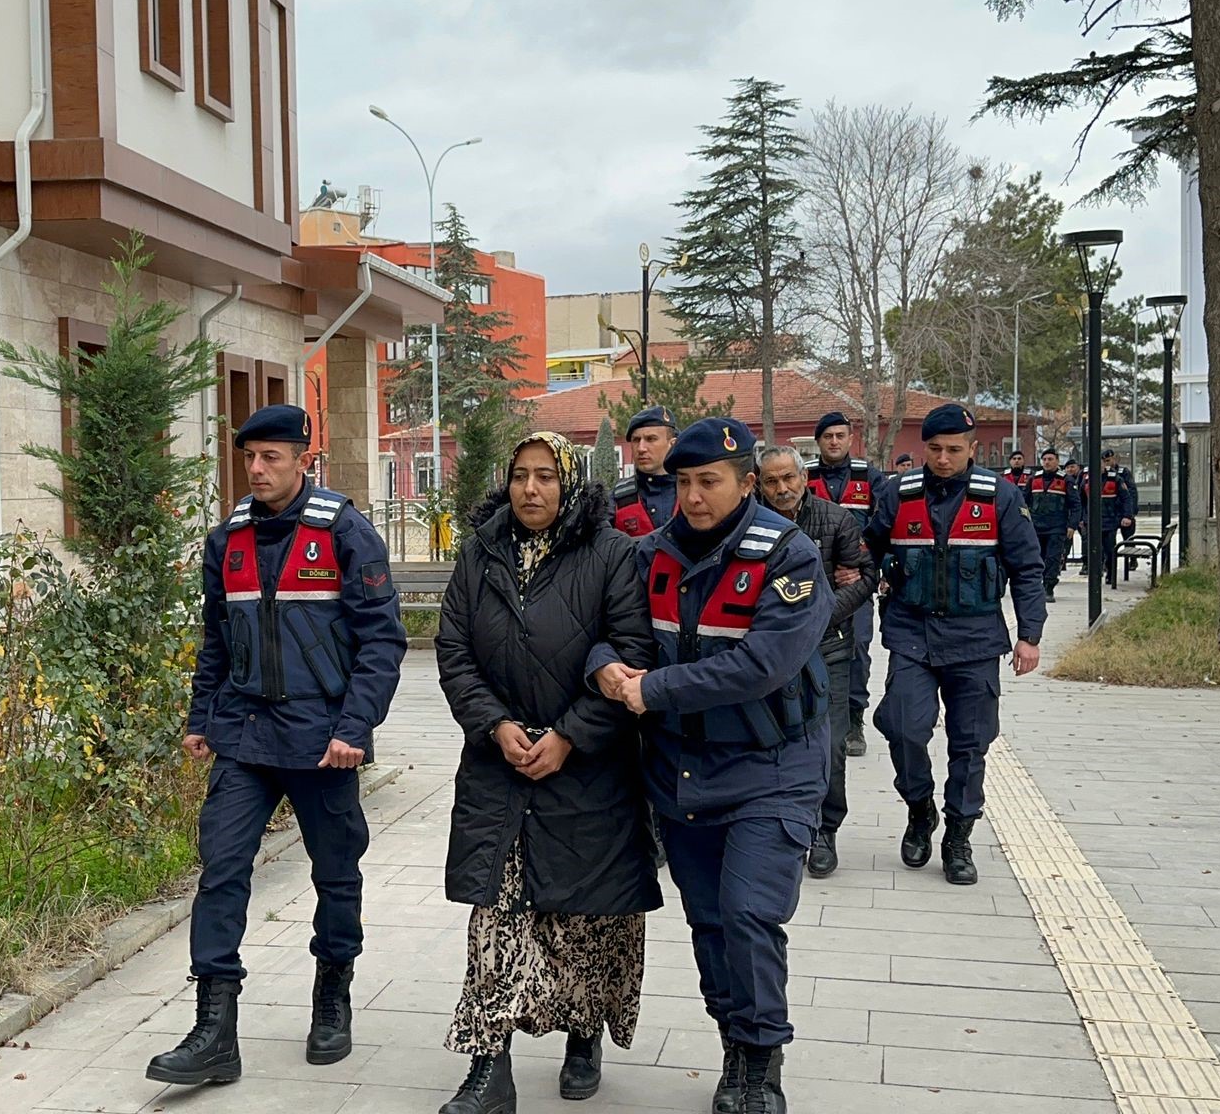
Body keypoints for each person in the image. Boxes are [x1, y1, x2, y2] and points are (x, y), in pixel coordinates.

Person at [147, 404, 407, 1087]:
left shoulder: (346, 534)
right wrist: (201, 717)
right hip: (243, 734)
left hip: (323, 740)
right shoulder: (225, 542)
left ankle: (332, 997)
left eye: (271, 458)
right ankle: (214, 1029)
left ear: (302, 459)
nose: (257, 470)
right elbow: (216, 639)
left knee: (335, 871)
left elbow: (382, 641)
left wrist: (355, 728)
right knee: (222, 868)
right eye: (249, 458)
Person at [589, 417, 834, 1114]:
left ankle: (764, 1060)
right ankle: (735, 1042)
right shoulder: (649, 555)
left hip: (773, 766)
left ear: (747, 482)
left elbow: (764, 664)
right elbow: (604, 631)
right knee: (710, 923)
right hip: (683, 769)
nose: (693, 497)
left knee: (749, 911)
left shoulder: (789, 557)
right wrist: (606, 666)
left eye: (709, 483)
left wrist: (649, 690)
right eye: (684, 483)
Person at [434, 431, 661, 1114]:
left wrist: (568, 736)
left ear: (570, 482)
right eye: (519, 475)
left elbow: (632, 651)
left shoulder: (612, 554)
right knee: (495, 921)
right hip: (499, 768)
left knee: (586, 918)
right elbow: (453, 650)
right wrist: (495, 726)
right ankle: (487, 1068)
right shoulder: (480, 554)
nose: (530, 489)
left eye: (545, 476)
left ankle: (583, 1034)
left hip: (588, 769)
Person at [866, 404, 1047, 888]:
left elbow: (1029, 568)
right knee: (903, 726)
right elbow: (866, 551)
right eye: (934, 449)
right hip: (911, 635)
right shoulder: (896, 494)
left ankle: (959, 836)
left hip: (974, 639)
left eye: (953, 450)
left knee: (971, 744)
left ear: (970, 449)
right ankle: (920, 808)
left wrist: (1029, 635)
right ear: (923, 448)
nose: (943, 459)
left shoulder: (999, 497)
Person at [759, 446, 877, 881]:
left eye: (788, 478)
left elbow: (864, 576)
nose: (782, 488)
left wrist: (818, 613)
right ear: (758, 483)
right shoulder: (748, 522)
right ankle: (779, 828)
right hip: (768, 652)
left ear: (803, 476)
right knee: (770, 743)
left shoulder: (836, 520)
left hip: (828, 648)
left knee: (829, 746)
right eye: (772, 481)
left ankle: (826, 830)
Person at [802, 411, 884, 761]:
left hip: (853, 584)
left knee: (858, 651)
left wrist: (868, 569)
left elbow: (883, 529)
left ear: (851, 439)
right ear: (818, 441)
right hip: (811, 580)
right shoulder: (804, 476)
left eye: (840, 435)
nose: (834, 442)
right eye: (827, 436)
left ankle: (854, 719)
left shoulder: (870, 478)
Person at [612, 406, 679, 537]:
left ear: (672, 444)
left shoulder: (693, 492)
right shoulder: (616, 499)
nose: (641, 448)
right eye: (636, 440)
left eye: (651, 439)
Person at [1024, 449, 1082, 598]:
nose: (1047, 462)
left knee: (1053, 557)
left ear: (1057, 461)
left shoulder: (1066, 480)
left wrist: (1072, 525)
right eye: (1044, 459)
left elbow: (1075, 505)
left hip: (1057, 526)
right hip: (1036, 526)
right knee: (1037, 557)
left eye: (1050, 459)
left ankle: (1049, 587)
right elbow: (1023, 502)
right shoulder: (1033, 479)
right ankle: (1037, 586)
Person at [1095, 448, 1137, 590]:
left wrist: (1130, 514)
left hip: (1121, 512)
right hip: (1108, 514)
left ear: (1114, 459)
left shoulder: (1122, 473)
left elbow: (1130, 493)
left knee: (1127, 538)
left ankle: (1132, 558)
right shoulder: (1093, 477)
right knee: (1105, 545)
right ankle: (1103, 569)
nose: (1107, 463)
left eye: (1109, 460)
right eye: (1104, 461)